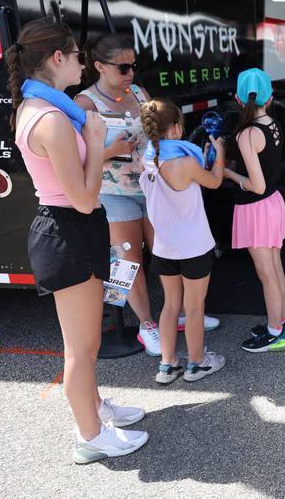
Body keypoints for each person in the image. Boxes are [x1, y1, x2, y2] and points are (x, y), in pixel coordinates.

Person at [5, 19, 147, 464]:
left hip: (72, 229)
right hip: (69, 229)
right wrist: (94, 138)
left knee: (85, 343)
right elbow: (84, 199)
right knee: (81, 348)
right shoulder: (51, 119)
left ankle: (97, 409)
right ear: (57, 59)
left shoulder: (49, 109)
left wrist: (93, 143)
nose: (83, 63)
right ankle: (90, 436)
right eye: (76, 54)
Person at [75, 34, 220, 358]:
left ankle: (182, 312)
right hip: (115, 192)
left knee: (167, 250)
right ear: (99, 66)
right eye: (124, 67)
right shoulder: (85, 104)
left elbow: (157, 131)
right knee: (130, 259)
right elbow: (76, 158)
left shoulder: (138, 92)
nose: (131, 74)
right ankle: (147, 324)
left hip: (153, 188)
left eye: (134, 66)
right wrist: (112, 150)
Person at [139, 98, 226, 384]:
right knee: (194, 307)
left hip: (164, 246)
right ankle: (197, 363)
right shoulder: (186, 162)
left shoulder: (147, 158)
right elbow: (214, 181)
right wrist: (220, 153)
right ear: (176, 128)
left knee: (170, 305)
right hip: (194, 245)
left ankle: (168, 364)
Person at [223, 69, 285, 353]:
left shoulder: (247, 134)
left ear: (238, 99)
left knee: (266, 273)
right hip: (272, 204)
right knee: (275, 268)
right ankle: (280, 323)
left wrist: (228, 173)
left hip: (256, 207)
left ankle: (276, 332)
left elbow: (255, 185)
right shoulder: (271, 123)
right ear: (270, 98)